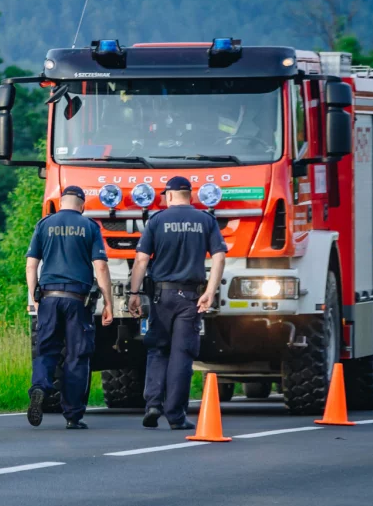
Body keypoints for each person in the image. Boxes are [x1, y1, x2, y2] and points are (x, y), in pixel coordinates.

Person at [127, 176, 227, 430]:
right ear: (190, 196)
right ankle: (176, 416)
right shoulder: (206, 220)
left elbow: (141, 260)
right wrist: (211, 291)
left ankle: (152, 404)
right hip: (191, 298)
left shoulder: (157, 220)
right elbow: (219, 258)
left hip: (161, 297)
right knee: (182, 355)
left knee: (158, 350)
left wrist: (134, 293)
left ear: (169, 196)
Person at [26, 186, 114, 429]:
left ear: (61, 202)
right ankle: (73, 416)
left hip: (48, 296)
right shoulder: (90, 227)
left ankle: (39, 387)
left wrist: (32, 296)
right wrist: (109, 302)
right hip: (78, 300)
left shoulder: (43, 224)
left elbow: (32, 265)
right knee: (78, 355)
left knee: (46, 350)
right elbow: (101, 267)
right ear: (82, 205)